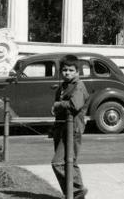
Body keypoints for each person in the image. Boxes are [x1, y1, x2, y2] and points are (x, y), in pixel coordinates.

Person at [51, 54, 89, 199]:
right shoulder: (64, 86)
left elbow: (74, 105)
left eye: (71, 70)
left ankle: (77, 192)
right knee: (68, 163)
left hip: (73, 129)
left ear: (78, 72)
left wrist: (58, 105)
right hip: (62, 128)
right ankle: (73, 194)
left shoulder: (79, 86)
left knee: (59, 163)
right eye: (65, 70)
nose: (67, 73)